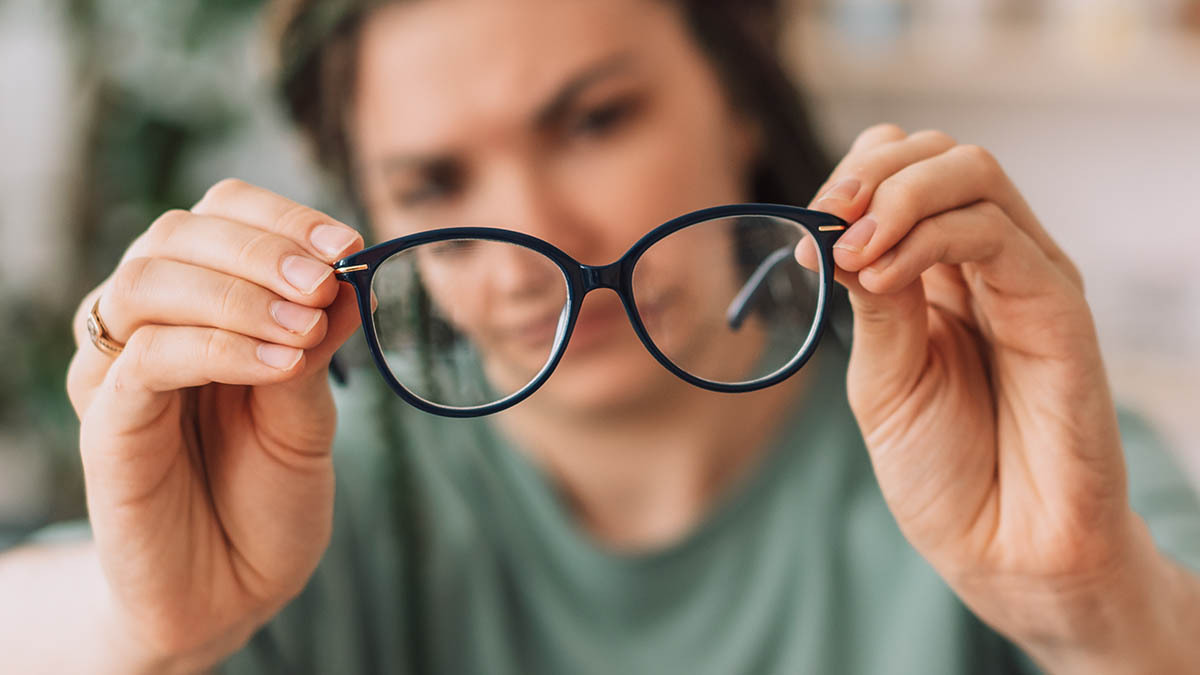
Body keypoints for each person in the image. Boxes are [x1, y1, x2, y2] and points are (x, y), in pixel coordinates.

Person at [2, 0, 1199, 672]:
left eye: (595, 120)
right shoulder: (307, 500)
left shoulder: (1028, 464)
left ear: (739, 97)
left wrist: (1098, 614)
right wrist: (139, 635)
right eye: (431, 179)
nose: (535, 234)